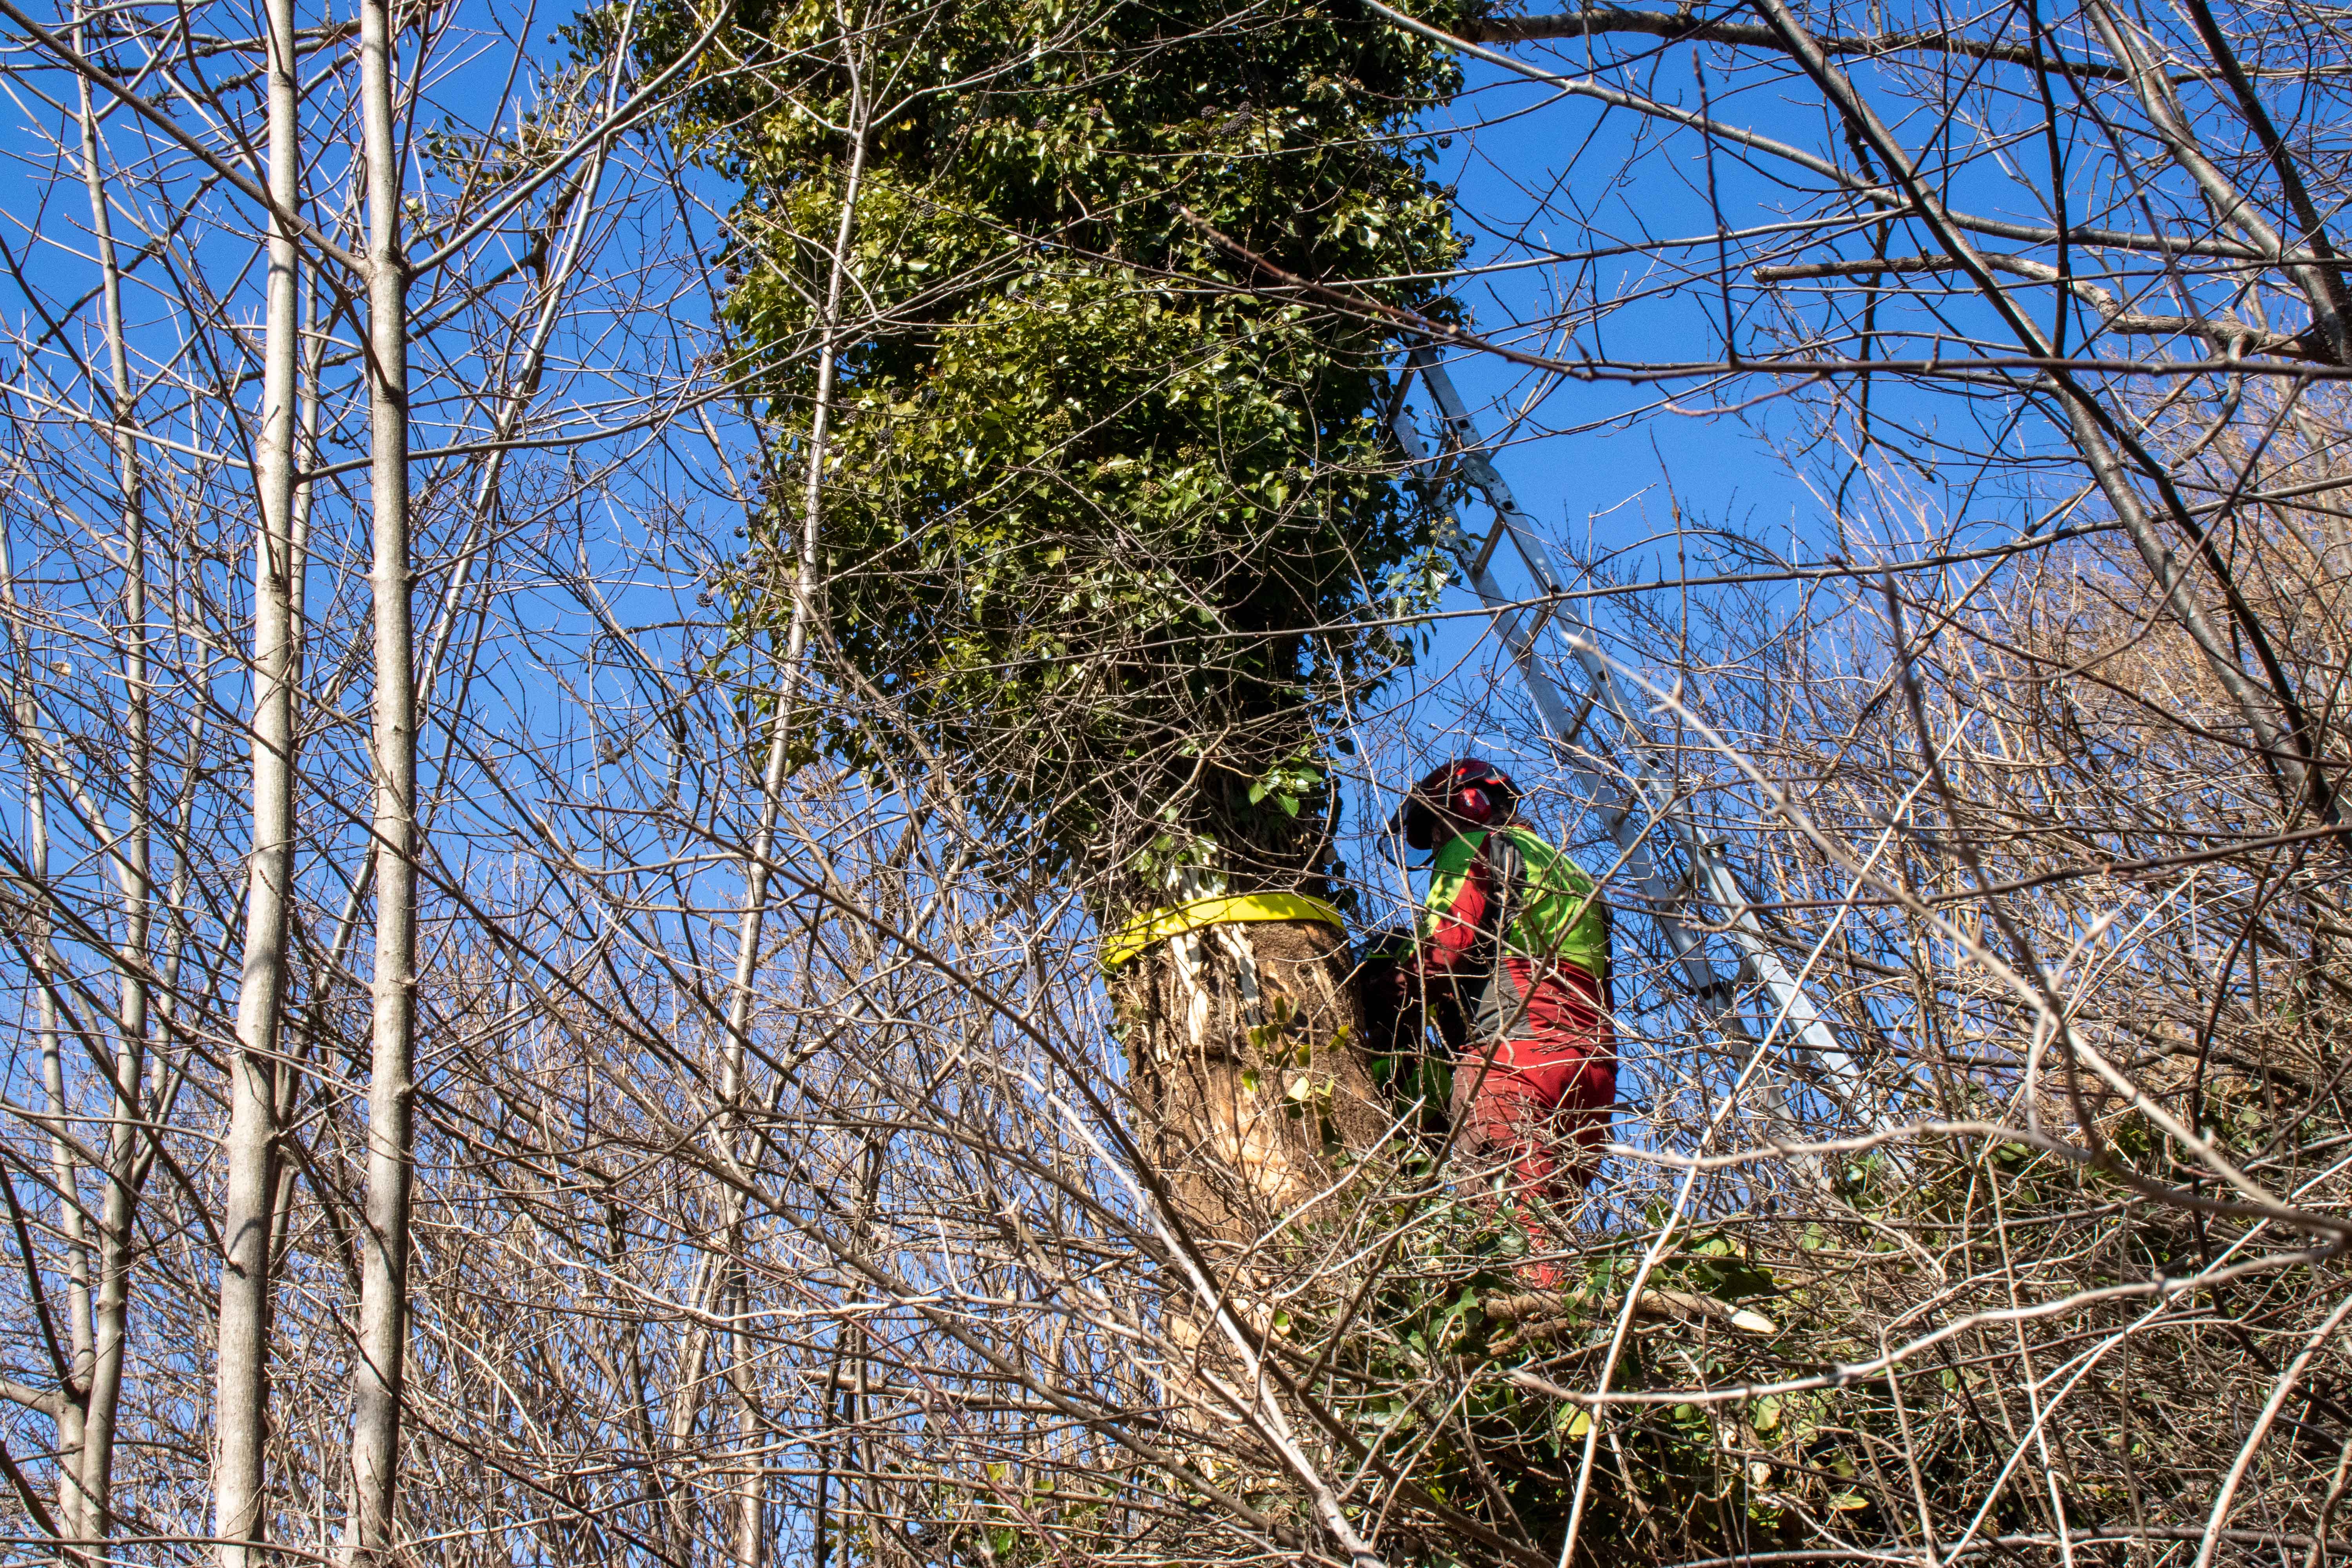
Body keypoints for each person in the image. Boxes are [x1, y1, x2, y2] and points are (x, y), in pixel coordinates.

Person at [1388, 760, 1615, 1272]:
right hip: (1593, 1068)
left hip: (1519, 1054)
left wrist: (1390, 986)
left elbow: (1448, 950)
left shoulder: (1471, 849)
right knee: (1549, 1233)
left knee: (1507, 1234)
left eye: (1438, 825)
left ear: (1467, 804)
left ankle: (1537, 1341)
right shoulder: (1569, 870)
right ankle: (1584, 1341)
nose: (1438, 842)